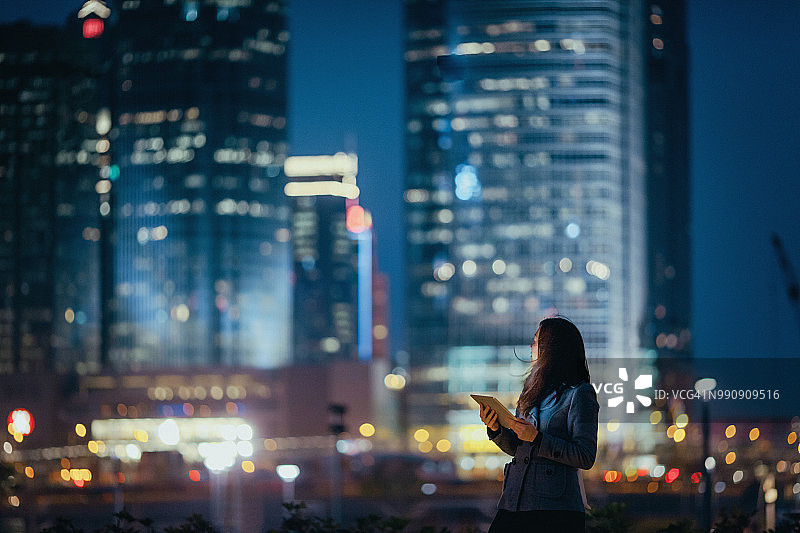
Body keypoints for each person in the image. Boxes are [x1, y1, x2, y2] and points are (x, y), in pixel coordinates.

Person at [479, 316, 599, 532]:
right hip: (514, 502)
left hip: (555, 509)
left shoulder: (579, 394)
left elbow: (585, 455)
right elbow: (518, 449)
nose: (531, 346)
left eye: (537, 340)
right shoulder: (530, 392)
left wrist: (538, 438)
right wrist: (496, 429)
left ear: (553, 347)